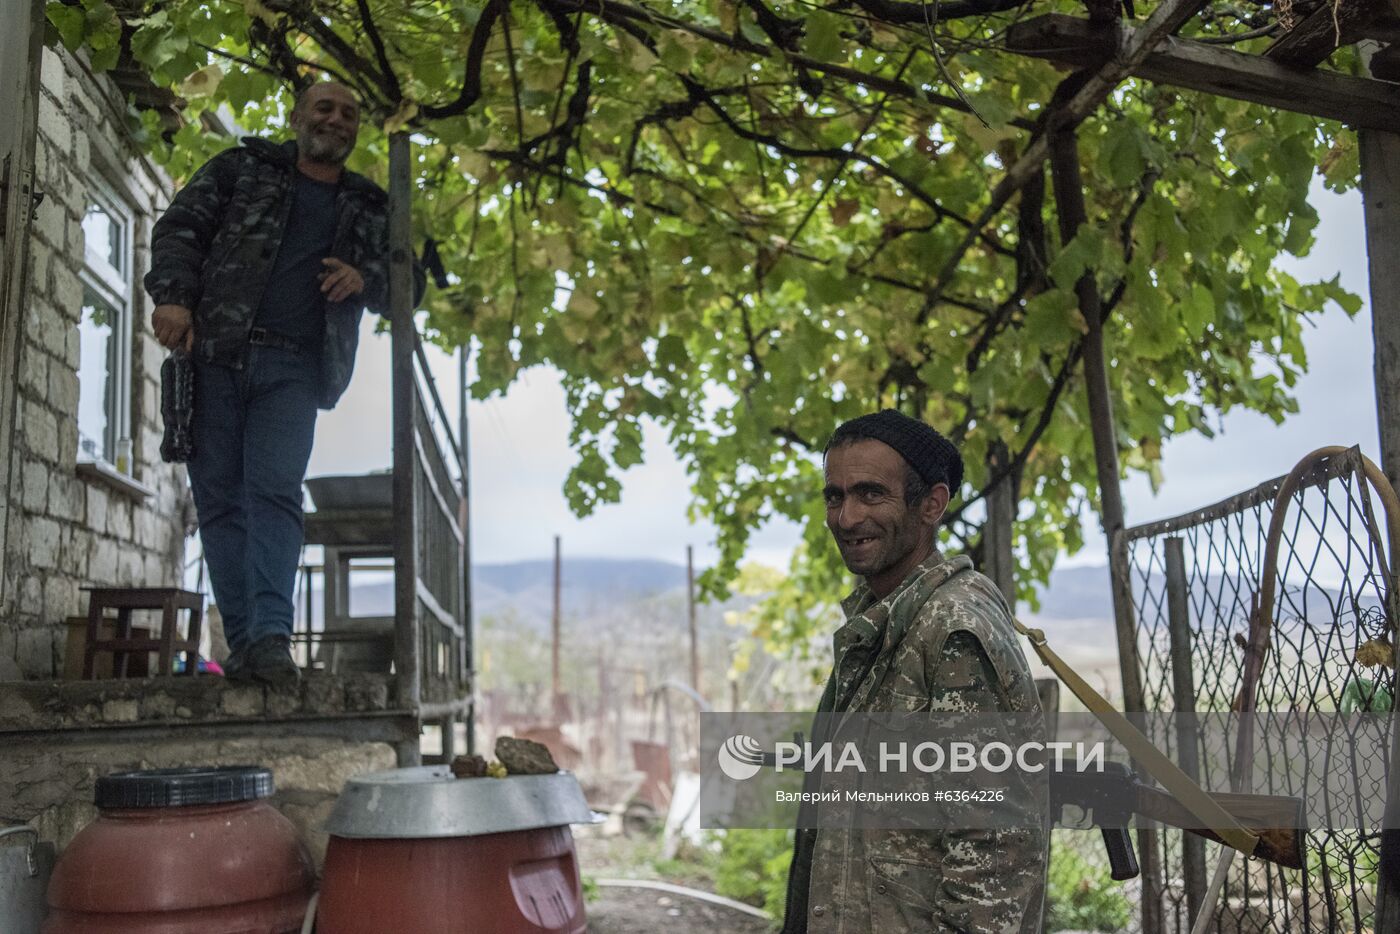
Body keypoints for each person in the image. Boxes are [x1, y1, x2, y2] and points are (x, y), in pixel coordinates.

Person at [145, 81, 423, 685]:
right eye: (325, 108)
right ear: (296, 116)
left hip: (295, 368)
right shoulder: (242, 168)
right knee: (219, 502)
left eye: (350, 113)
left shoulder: (369, 204)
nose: (337, 119)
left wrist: (363, 275)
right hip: (211, 355)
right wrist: (174, 299)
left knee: (273, 491)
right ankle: (246, 646)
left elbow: (412, 282)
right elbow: (178, 228)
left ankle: (271, 637)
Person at [783, 409, 1047, 932]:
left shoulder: (951, 630)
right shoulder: (884, 623)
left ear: (932, 503)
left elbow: (996, 845)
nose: (847, 517)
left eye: (871, 494)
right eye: (835, 496)